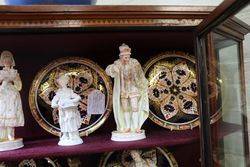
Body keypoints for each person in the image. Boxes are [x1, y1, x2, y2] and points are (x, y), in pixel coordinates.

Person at [106, 43, 149, 134]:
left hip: (133, 88)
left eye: (128, 55)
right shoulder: (118, 63)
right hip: (123, 90)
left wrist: (144, 85)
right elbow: (108, 70)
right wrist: (115, 68)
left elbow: (140, 75)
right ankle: (127, 127)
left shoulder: (134, 62)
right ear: (121, 56)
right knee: (125, 109)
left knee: (135, 108)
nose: (126, 57)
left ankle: (137, 127)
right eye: (124, 56)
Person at [51, 74, 83, 146]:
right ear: (59, 82)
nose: (63, 82)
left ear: (67, 81)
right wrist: (58, 105)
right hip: (62, 111)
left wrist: (71, 101)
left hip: (70, 110)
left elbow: (78, 97)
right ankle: (65, 135)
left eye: (65, 80)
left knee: (71, 122)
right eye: (61, 81)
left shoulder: (69, 91)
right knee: (63, 123)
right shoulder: (58, 92)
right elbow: (53, 103)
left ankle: (73, 135)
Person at [0, 51, 24, 142]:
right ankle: (2, 136)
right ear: (2, 62)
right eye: (5, 60)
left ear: (11, 62)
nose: (7, 62)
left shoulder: (15, 72)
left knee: (11, 112)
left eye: (9, 60)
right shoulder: (1, 72)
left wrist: (14, 80)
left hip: (12, 94)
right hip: (2, 93)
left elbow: (19, 86)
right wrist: (3, 81)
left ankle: (10, 134)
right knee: (2, 112)